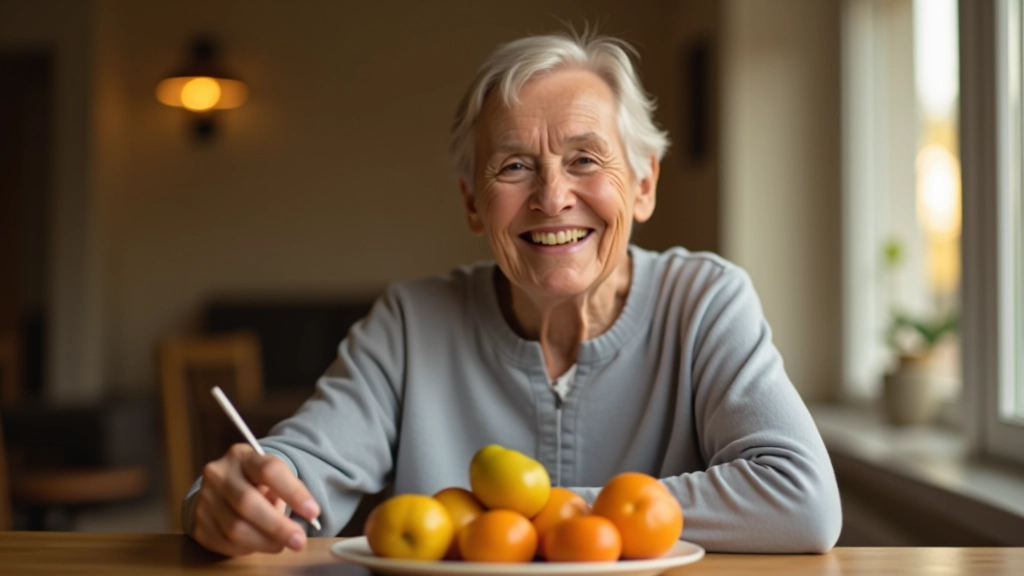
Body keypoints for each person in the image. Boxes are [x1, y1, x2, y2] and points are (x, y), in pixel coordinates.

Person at [184, 31, 842, 556]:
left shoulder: (705, 299)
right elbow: (296, 476)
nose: (553, 197)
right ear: (474, 204)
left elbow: (801, 503)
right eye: (515, 166)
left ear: (643, 185)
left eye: (585, 159)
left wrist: (535, 520)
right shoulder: (410, 322)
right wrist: (227, 501)